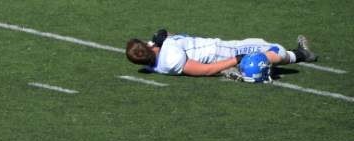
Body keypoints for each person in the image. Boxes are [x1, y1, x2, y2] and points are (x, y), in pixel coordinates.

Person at [125, 29, 317, 77]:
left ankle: (299, 54)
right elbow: (205, 70)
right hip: (223, 52)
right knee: (275, 50)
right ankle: (300, 55)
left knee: (263, 46)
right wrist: (236, 59)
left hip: (222, 47)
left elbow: (164, 36)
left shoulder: (155, 50)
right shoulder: (169, 60)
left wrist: (161, 37)